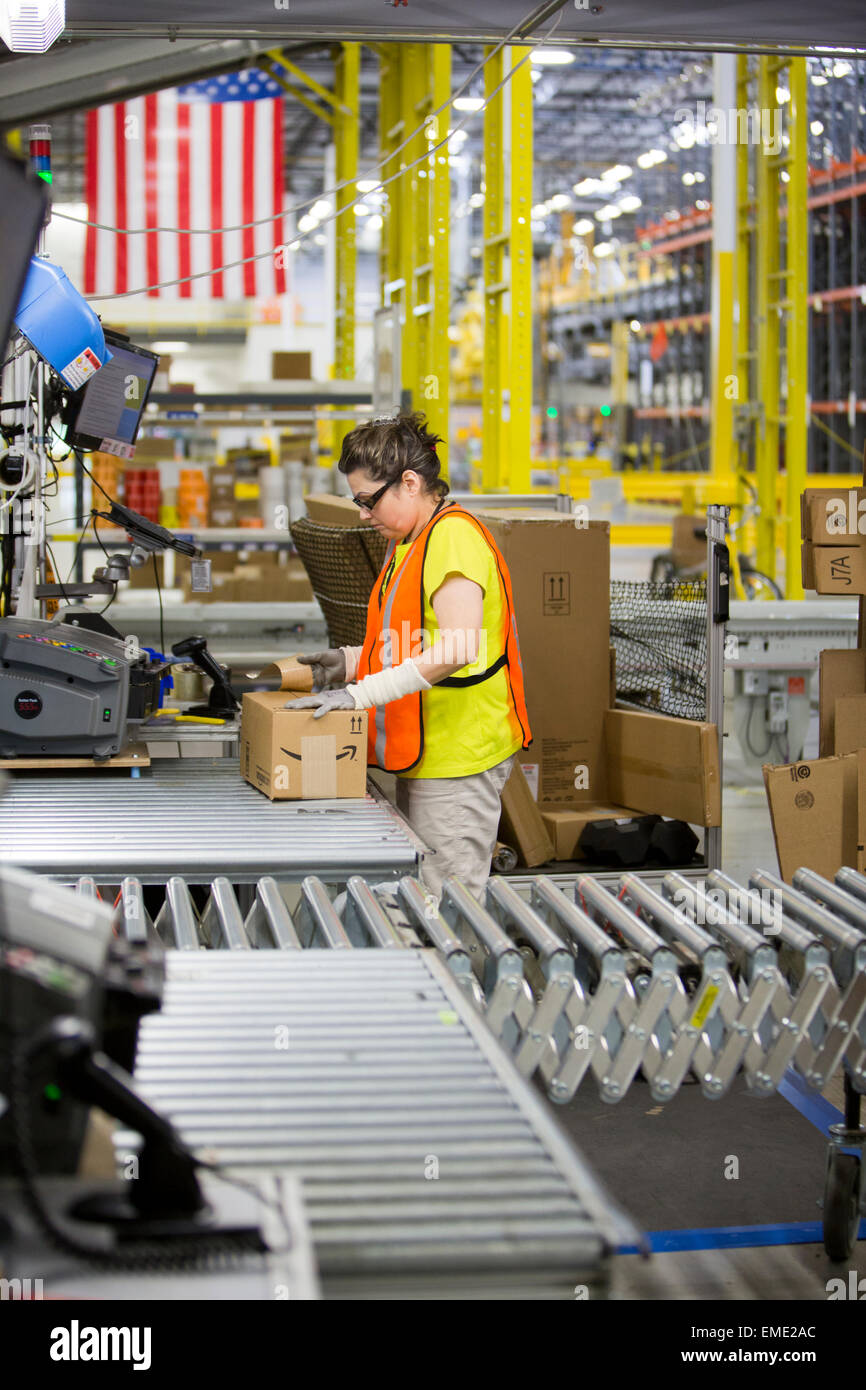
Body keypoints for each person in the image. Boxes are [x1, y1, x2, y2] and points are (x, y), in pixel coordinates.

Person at [285, 412, 531, 905]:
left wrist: (361, 693)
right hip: (425, 751)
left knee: (449, 906)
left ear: (411, 483)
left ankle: (464, 983)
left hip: (458, 756)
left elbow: (458, 648)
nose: (361, 514)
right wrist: (350, 663)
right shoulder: (410, 543)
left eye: (367, 501)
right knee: (423, 897)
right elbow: (411, 641)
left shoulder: (453, 537)